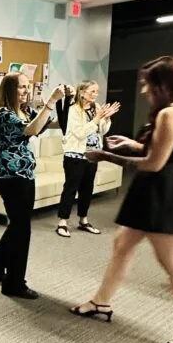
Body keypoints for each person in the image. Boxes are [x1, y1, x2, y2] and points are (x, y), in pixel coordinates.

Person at [72, 55, 173, 343]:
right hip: (159, 186)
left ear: (163, 84)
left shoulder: (170, 114)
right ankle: (101, 300)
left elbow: (154, 163)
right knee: (122, 243)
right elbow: (157, 149)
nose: (143, 91)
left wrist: (106, 156)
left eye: (147, 85)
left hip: (162, 190)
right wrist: (130, 144)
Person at [0, 73, 65, 299]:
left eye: (27, 87)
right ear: (9, 89)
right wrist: (51, 102)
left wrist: (68, 104)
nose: (25, 91)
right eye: (21, 87)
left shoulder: (25, 111)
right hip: (11, 178)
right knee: (22, 229)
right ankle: (14, 283)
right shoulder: (3, 114)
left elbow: (48, 123)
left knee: (18, 225)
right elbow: (31, 130)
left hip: (25, 175)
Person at [55, 80, 121, 237]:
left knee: (87, 189)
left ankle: (83, 220)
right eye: (92, 91)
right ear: (82, 92)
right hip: (74, 155)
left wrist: (107, 118)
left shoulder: (95, 108)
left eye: (97, 91)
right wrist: (97, 118)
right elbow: (80, 133)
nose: (95, 94)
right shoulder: (73, 110)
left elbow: (102, 131)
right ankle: (62, 222)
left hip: (92, 155)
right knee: (71, 188)